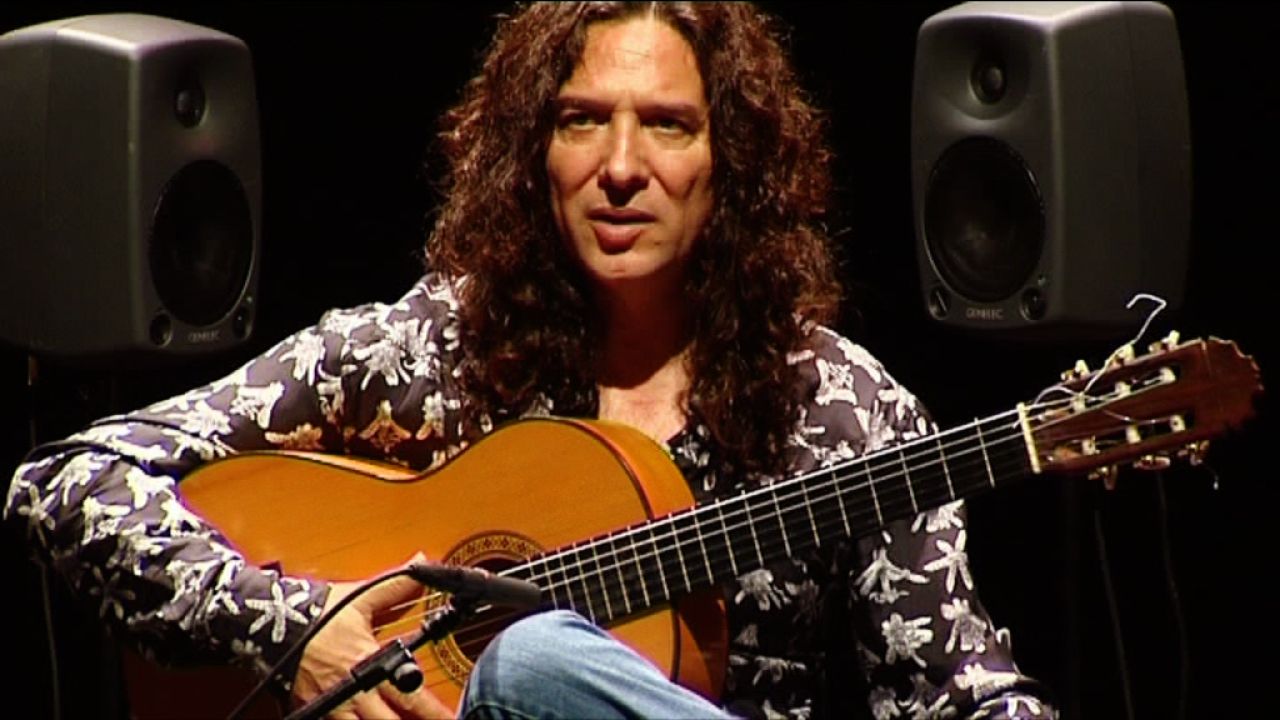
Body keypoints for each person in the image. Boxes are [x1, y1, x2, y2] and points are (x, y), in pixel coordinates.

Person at [5, 2, 1058, 718]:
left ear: (731, 164)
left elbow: (954, 688)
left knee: (534, 663)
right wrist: (294, 628)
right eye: (580, 122)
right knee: (528, 662)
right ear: (533, 154)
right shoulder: (432, 348)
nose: (619, 168)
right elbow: (68, 480)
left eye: (667, 127)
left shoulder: (836, 409)